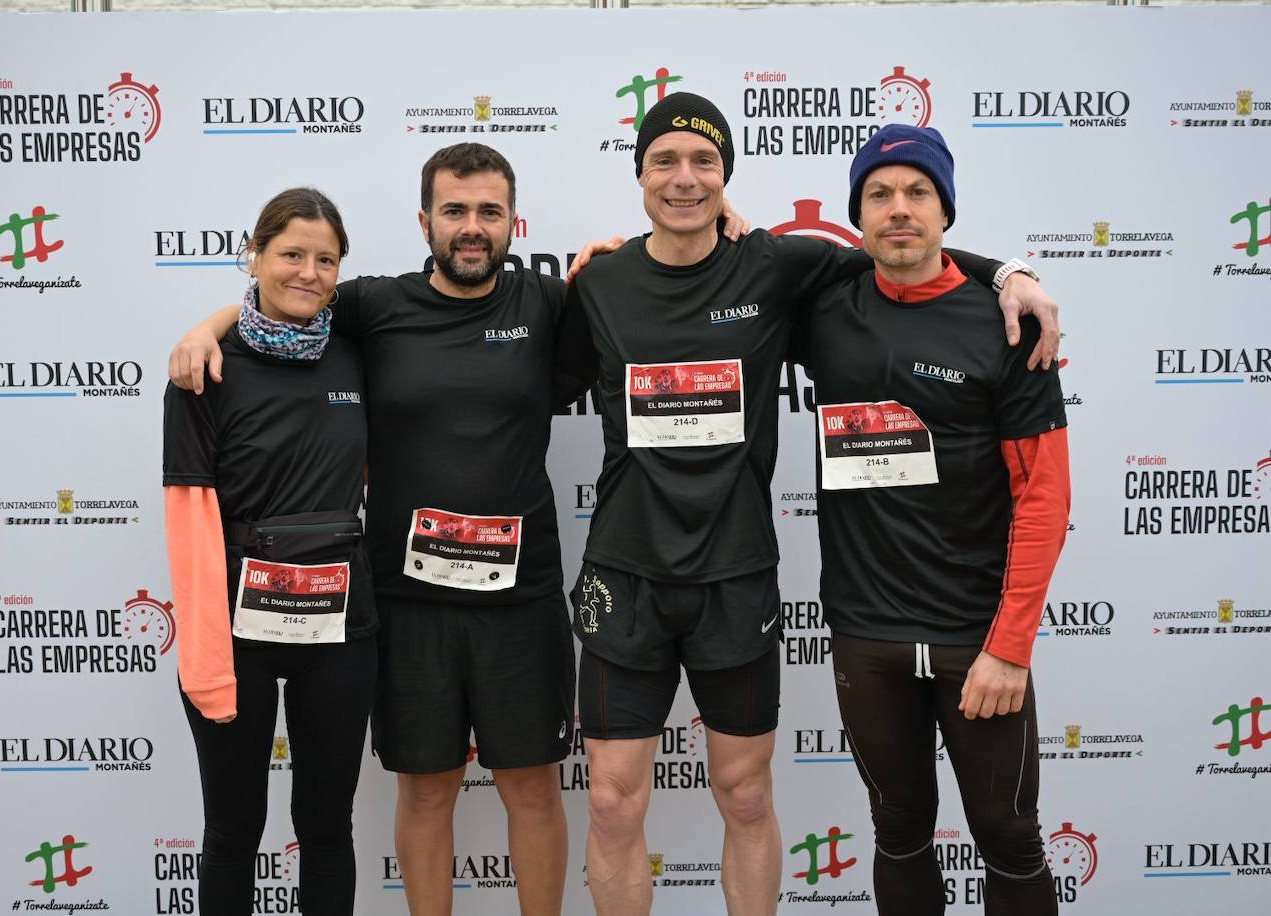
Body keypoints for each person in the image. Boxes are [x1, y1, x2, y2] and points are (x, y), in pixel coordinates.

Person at [168, 144, 757, 916]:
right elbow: (279, 299)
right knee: (426, 792)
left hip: (522, 600)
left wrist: (723, 223)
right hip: (406, 603)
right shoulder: (376, 306)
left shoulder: (550, 304)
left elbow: (651, 274)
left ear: (514, 221)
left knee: (532, 788)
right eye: (454, 211)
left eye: (488, 212)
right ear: (425, 221)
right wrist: (204, 327)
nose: (471, 228)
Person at [555, 92, 1059, 916]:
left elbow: (906, 259)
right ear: (638, 174)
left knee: (747, 796)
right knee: (610, 801)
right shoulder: (600, 283)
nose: (684, 179)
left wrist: (1007, 272)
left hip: (737, 575)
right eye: (665, 162)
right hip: (626, 576)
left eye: (704, 163)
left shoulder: (778, 267)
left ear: (727, 175)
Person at [792, 125, 1069, 916]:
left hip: (975, 638)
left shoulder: (1006, 325)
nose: (899, 209)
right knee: (900, 830)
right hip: (866, 634)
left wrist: (1010, 648)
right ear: (859, 216)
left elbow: (1045, 497)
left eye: (919, 192)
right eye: (879, 194)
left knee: (1009, 835)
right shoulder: (826, 307)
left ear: (946, 209)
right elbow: (714, 247)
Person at [163, 188, 379, 916]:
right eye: (290, 254)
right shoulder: (204, 369)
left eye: (325, 259)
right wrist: (203, 659)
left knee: (326, 829)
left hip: (341, 630)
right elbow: (189, 522)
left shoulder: (357, 357)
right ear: (252, 256)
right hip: (235, 635)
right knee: (233, 830)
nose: (308, 273)